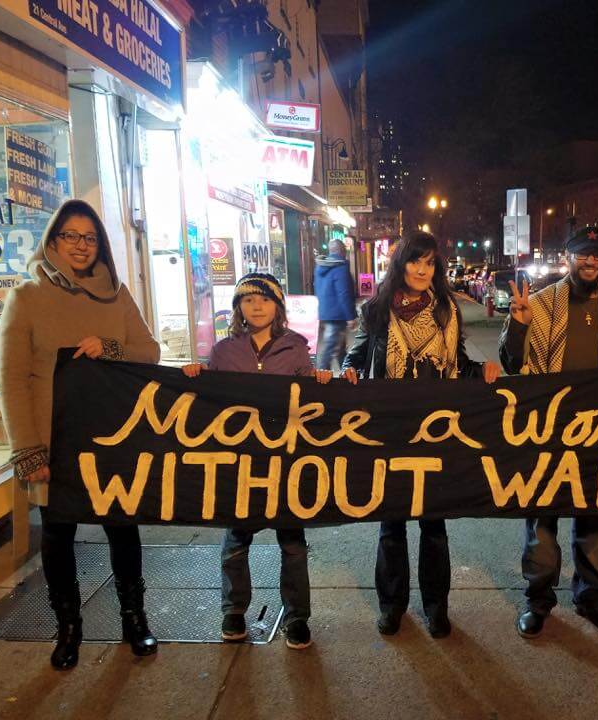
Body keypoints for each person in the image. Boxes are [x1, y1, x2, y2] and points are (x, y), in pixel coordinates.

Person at [0, 199, 161, 670]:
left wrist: (110, 348)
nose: (80, 245)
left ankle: (135, 619)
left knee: (122, 528)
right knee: (58, 532)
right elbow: (10, 379)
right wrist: (28, 451)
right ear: (52, 241)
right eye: (70, 235)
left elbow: (148, 350)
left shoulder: (116, 294)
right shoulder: (26, 297)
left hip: (111, 438)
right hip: (53, 441)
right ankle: (68, 628)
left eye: (89, 237)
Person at [341, 231, 501, 639]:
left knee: (434, 525)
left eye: (429, 262)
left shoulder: (448, 308)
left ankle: (436, 607)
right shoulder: (376, 308)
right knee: (391, 524)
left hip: (437, 430)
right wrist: (348, 369)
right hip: (390, 429)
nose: (421, 269)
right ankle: (392, 607)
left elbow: (458, 362)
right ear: (401, 264)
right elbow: (357, 355)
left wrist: (479, 370)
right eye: (414, 261)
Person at [499, 226, 598, 640]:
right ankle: (539, 600)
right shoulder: (541, 305)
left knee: (597, 519)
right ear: (568, 257)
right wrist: (519, 326)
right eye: (584, 254)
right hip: (548, 428)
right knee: (541, 521)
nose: (591, 262)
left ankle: (593, 599)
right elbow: (513, 363)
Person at [183, 273, 333, 649]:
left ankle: (297, 617)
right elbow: (207, 401)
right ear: (238, 308)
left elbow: (308, 391)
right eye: (248, 300)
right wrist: (194, 378)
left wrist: (323, 380)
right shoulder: (222, 352)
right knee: (236, 540)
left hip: (284, 461)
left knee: (293, 543)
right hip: (240, 461)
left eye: (264, 299)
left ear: (278, 307)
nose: (257, 306)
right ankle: (233, 611)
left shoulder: (296, 348)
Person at [315, 238, 357, 371]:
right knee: (330, 347)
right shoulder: (340, 268)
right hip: (338, 314)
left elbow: (317, 288)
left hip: (325, 311)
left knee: (339, 347)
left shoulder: (320, 267)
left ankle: (346, 373)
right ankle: (321, 377)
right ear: (342, 251)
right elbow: (344, 293)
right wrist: (350, 316)